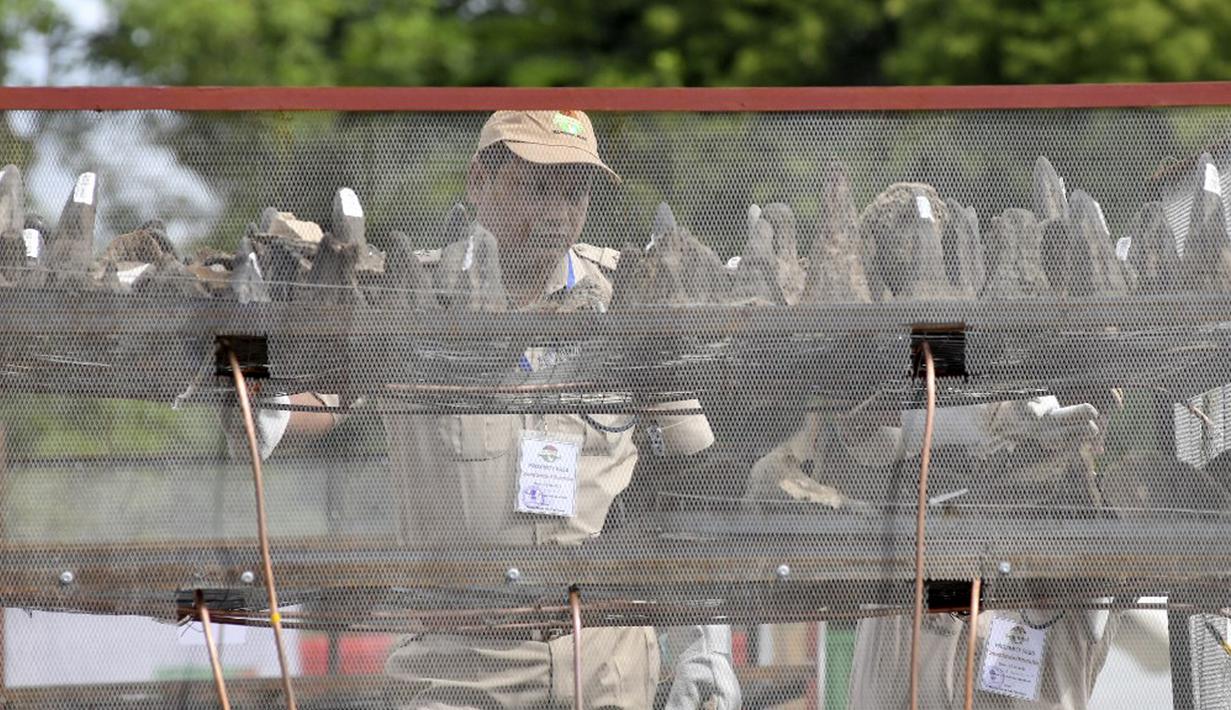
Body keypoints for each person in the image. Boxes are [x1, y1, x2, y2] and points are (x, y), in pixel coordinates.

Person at [269, 110, 741, 709]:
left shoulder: (627, 299)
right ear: (478, 181)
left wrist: (707, 641)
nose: (557, 212)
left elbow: (696, 477)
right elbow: (323, 393)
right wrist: (263, 398)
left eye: (575, 191)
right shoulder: (415, 295)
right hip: (463, 670)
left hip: (607, 666)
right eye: (536, 186)